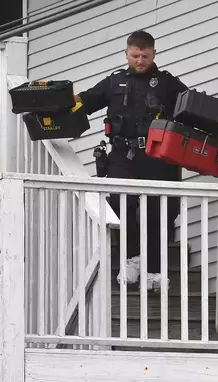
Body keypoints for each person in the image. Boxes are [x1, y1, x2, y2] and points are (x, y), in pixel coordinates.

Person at [75, 30, 188, 292]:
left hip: (159, 156)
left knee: (160, 210)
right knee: (119, 203)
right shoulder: (114, 82)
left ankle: (155, 271)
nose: (140, 60)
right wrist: (56, 102)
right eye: (135, 55)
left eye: (145, 56)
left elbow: (192, 108)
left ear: (154, 54)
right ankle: (131, 260)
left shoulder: (167, 83)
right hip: (122, 154)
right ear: (126, 53)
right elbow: (86, 100)